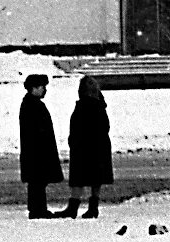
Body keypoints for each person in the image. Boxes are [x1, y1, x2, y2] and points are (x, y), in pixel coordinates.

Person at [63, 75, 113, 219]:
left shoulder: (83, 107)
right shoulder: (99, 106)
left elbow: (76, 128)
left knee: (78, 177)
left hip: (82, 147)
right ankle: (93, 207)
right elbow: (105, 127)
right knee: (95, 179)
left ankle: (73, 206)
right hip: (99, 147)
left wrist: (73, 142)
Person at [19, 73, 65, 219]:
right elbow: (37, 131)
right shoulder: (32, 105)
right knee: (37, 181)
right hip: (37, 151)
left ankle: (38, 209)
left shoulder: (30, 104)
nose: (44, 90)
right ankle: (37, 210)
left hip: (35, 151)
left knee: (38, 182)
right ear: (34, 88)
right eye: (42, 87)